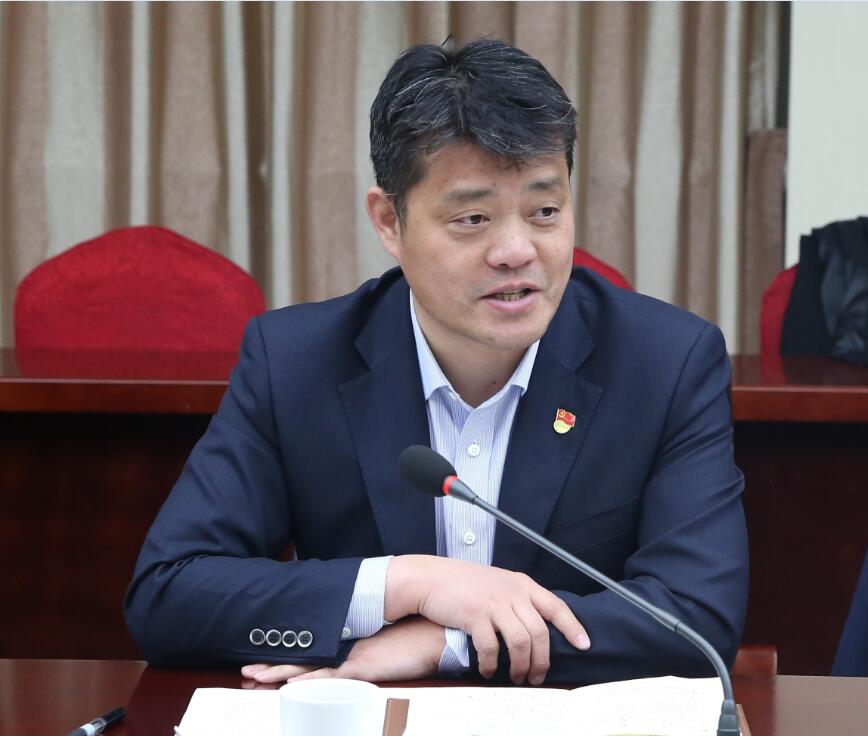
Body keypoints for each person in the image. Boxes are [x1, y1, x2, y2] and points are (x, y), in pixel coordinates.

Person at [124, 39, 748, 687]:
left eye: (544, 211)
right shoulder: (295, 363)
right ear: (389, 222)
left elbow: (698, 618)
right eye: (473, 218)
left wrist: (445, 641)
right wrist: (411, 583)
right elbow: (168, 597)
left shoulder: (665, 363)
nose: (515, 251)